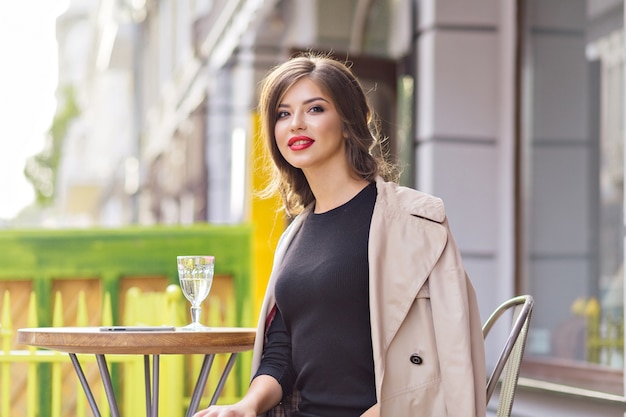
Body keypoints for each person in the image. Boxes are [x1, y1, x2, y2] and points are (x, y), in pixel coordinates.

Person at [193, 53, 486, 417]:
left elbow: (448, 353)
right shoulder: (295, 235)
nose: (296, 124)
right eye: (283, 114)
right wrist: (245, 406)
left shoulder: (413, 222)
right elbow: (282, 350)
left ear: (348, 123)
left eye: (314, 109)